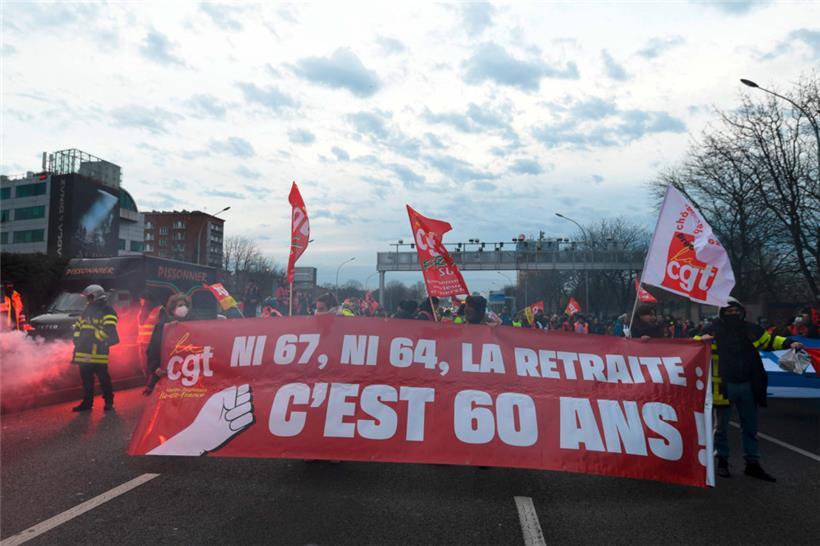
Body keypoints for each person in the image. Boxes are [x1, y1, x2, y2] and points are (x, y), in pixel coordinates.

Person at [697, 297, 803, 481]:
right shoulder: (712, 330)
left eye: (735, 310)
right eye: (728, 311)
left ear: (741, 311)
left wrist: (789, 343)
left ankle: (752, 464)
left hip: (748, 384)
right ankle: (722, 461)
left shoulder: (751, 329)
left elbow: (769, 341)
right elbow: (692, 345)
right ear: (721, 313)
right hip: (722, 385)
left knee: (750, 427)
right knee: (720, 428)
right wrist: (700, 340)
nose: (733, 313)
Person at [71, 284, 119, 412]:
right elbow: (79, 326)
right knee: (86, 380)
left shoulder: (107, 310)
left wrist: (95, 338)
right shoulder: (87, 310)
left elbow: (109, 330)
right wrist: (76, 339)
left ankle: (109, 402)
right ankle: (87, 403)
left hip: (98, 352)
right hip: (83, 352)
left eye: (89, 297)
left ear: (95, 295)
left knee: (103, 378)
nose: (87, 300)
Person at [144, 294, 194, 395]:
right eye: (180, 305)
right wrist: (156, 368)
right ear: (173, 308)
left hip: (188, 377)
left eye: (185, 306)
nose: (183, 308)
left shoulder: (194, 325)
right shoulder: (163, 327)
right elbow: (153, 350)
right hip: (168, 375)